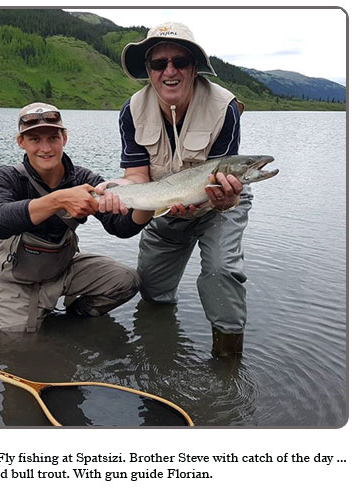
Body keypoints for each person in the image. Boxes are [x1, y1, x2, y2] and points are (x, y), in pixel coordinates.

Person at [98, 22, 252, 357]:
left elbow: (223, 174)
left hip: (220, 203)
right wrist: (116, 190)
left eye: (180, 62)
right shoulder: (131, 112)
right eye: (159, 63)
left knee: (221, 272)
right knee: (152, 291)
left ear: (194, 68)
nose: (170, 70)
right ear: (149, 71)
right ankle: (157, 357)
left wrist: (226, 197)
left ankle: (228, 363)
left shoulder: (225, 107)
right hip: (163, 202)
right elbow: (137, 176)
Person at [0, 102, 153, 333]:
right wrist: (58, 200)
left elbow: (120, 228)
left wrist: (150, 205)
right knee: (17, 346)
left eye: (52, 138)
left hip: (64, 268)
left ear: (64, 138)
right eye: (35, 140)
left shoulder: (83, 178)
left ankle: (73, 319)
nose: (45, 148)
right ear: (21, 142)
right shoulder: (4, 178)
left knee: (126, 281)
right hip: (17, 279)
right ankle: (38, 317)